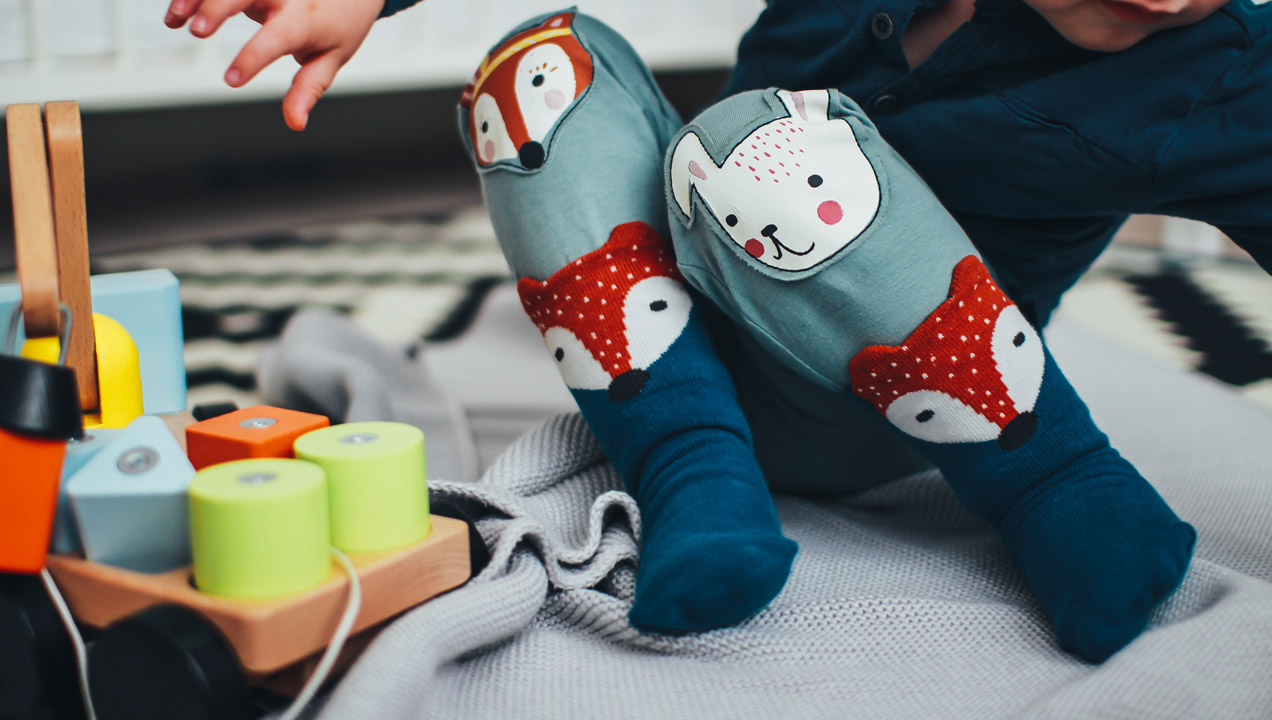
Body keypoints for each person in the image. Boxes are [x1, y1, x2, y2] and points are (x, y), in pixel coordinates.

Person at [166, 0, 1266, 661]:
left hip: (884, 401)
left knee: (765, 142)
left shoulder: (1225, 70)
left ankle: (1060, 486)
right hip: (670, 333)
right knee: (540, 64)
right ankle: (694, 472)